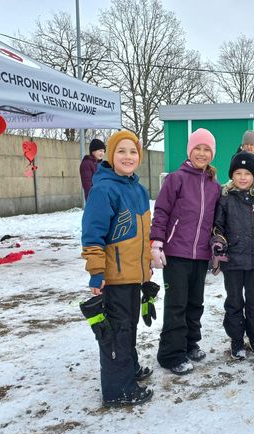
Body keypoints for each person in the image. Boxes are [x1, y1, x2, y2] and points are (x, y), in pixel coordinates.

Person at [81, 130, 154, 407]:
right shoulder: (104, 189)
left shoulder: (138, 189)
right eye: (121, 151)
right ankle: (117, 389)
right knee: (118, 331)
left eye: (133, 151)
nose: (128, 156)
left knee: (130, 326)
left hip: (134, 276)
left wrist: (146, 267)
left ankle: (129, 369)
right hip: (114, 276)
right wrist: (96, 272)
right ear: (111, 156)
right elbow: (92, 235)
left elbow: (144, 235)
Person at [150, 128, 222, 375]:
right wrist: (157, 243)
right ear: (190, 151)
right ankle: (170, 354)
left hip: (200, 255)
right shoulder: (175, 178)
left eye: (207, 150)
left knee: (195, 303)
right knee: (176, 304)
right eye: (198, 148)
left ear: (212, 154)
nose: (202, 153)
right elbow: (161, 212)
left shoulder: (214, 186)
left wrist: (214, 251)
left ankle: (190, 343)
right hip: (176, 253)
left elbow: (215, 222)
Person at [210, 151, 254, 360]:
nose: (242, 177)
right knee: (234, 301)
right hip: (231, 261)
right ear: (232, 175)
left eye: (247, 173)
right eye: (238, 173)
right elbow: (217, 227)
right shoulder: (224, 200)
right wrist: (218, 242)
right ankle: (237, 340)